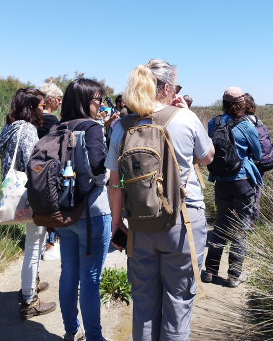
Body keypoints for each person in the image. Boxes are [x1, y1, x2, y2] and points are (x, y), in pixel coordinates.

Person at [106, 59, 215, 341]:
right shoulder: (185, 118)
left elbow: (115, 183)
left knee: (143, 303)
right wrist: (187, 112)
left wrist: (117, 224)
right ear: (166, 88)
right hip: (184, 221)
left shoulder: (121, 126)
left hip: (140, 224)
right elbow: (207, 157)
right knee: (178, 303)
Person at [53, 78, 113, 341]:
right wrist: (112, 173)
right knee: (90, 278)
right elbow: (99, 168)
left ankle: (70, 330)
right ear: (85, 101)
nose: (100, 105)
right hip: (92, 213)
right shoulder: (91, 127)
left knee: (68, 274)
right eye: (97, 99)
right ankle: (95, 337)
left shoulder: (56, 128)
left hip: (63, 212)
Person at [0, 88, 56, 318]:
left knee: (34, 242)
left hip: (12, 190)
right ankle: (29, 299)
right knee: (34, 244)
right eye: (40, 106)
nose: (43, 109)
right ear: (31, 108)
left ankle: (32, 283)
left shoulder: (9, 127)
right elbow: (36, 163)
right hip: (30, 193)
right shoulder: (28, 129)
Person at [202, 87, 262, 288]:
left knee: (220, 225)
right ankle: (233, 275)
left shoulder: (213, 123)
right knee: (240, 229)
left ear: (224, 104)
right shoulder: (247, 126)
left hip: (221, 182)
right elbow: (258, 153)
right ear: (242, 104)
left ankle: (210, 270)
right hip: (243, 182)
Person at [38, 82, 63, 261]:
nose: (60, 102)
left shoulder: (35, 118)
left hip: (34, 169)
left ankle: (41, 245)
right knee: (52, 208)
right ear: (50, 100)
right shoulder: (52, 121)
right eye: (58, 99)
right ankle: (50, 246)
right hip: (48, 169)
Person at [243, 93, 273, 224]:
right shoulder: (258, 121)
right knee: (257, 192)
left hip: (253, 162)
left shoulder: (244, 122)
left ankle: (245, 224)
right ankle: (252, 224)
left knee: (248, 193)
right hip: (265, 161)